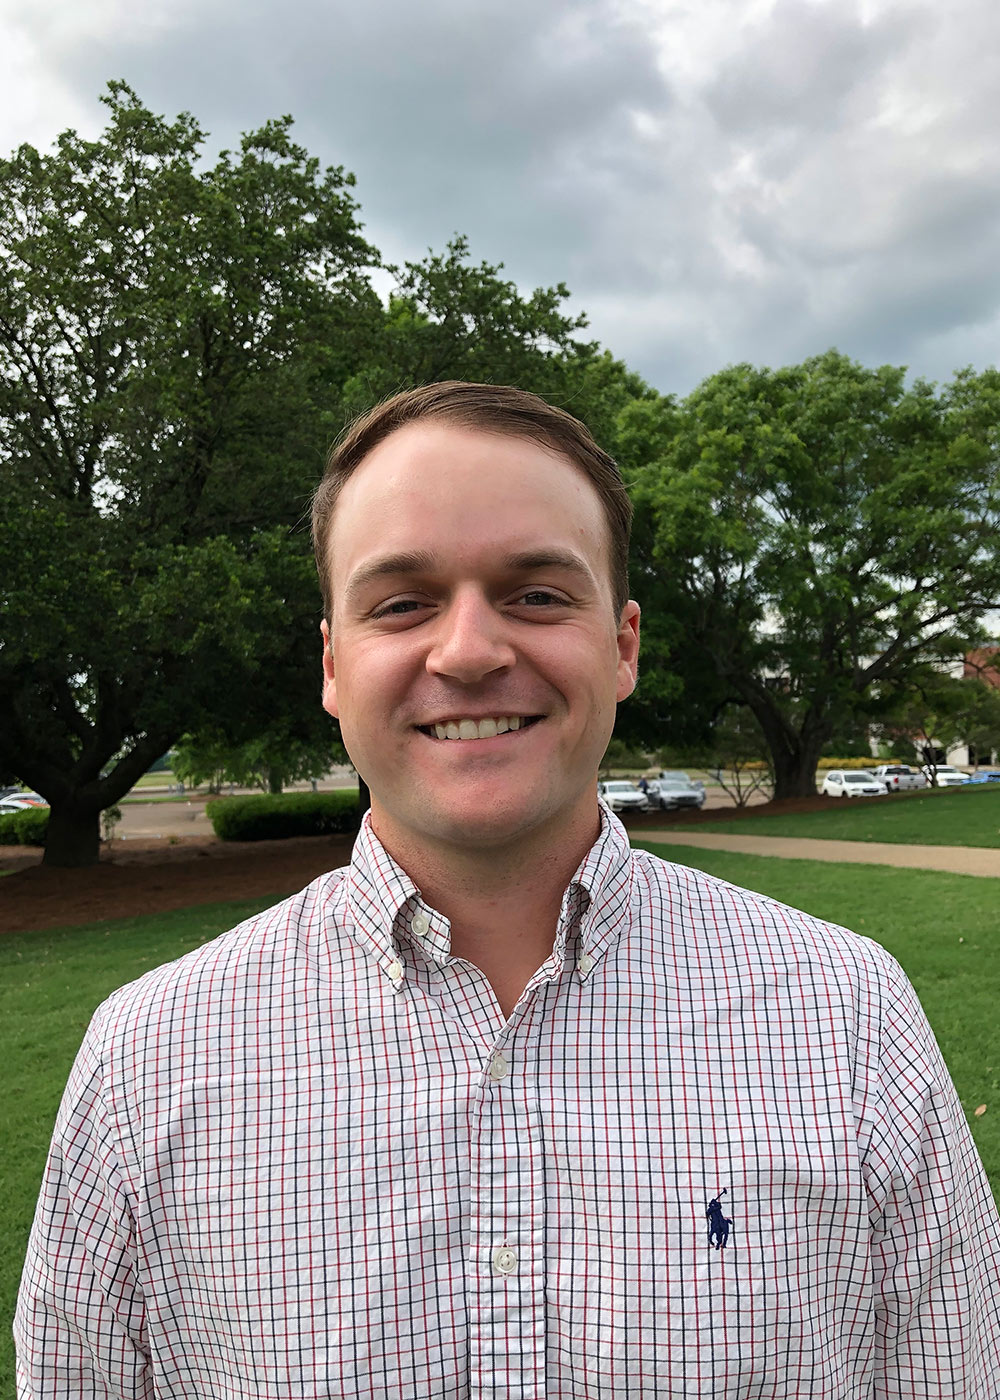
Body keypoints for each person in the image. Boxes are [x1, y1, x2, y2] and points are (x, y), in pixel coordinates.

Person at [15, 382, 1000, 1397]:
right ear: (333, 664)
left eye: (536, 593)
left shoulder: (846, 1015)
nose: (471, 650)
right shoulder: (146, 1063)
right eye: (402, 602)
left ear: (621, 645)